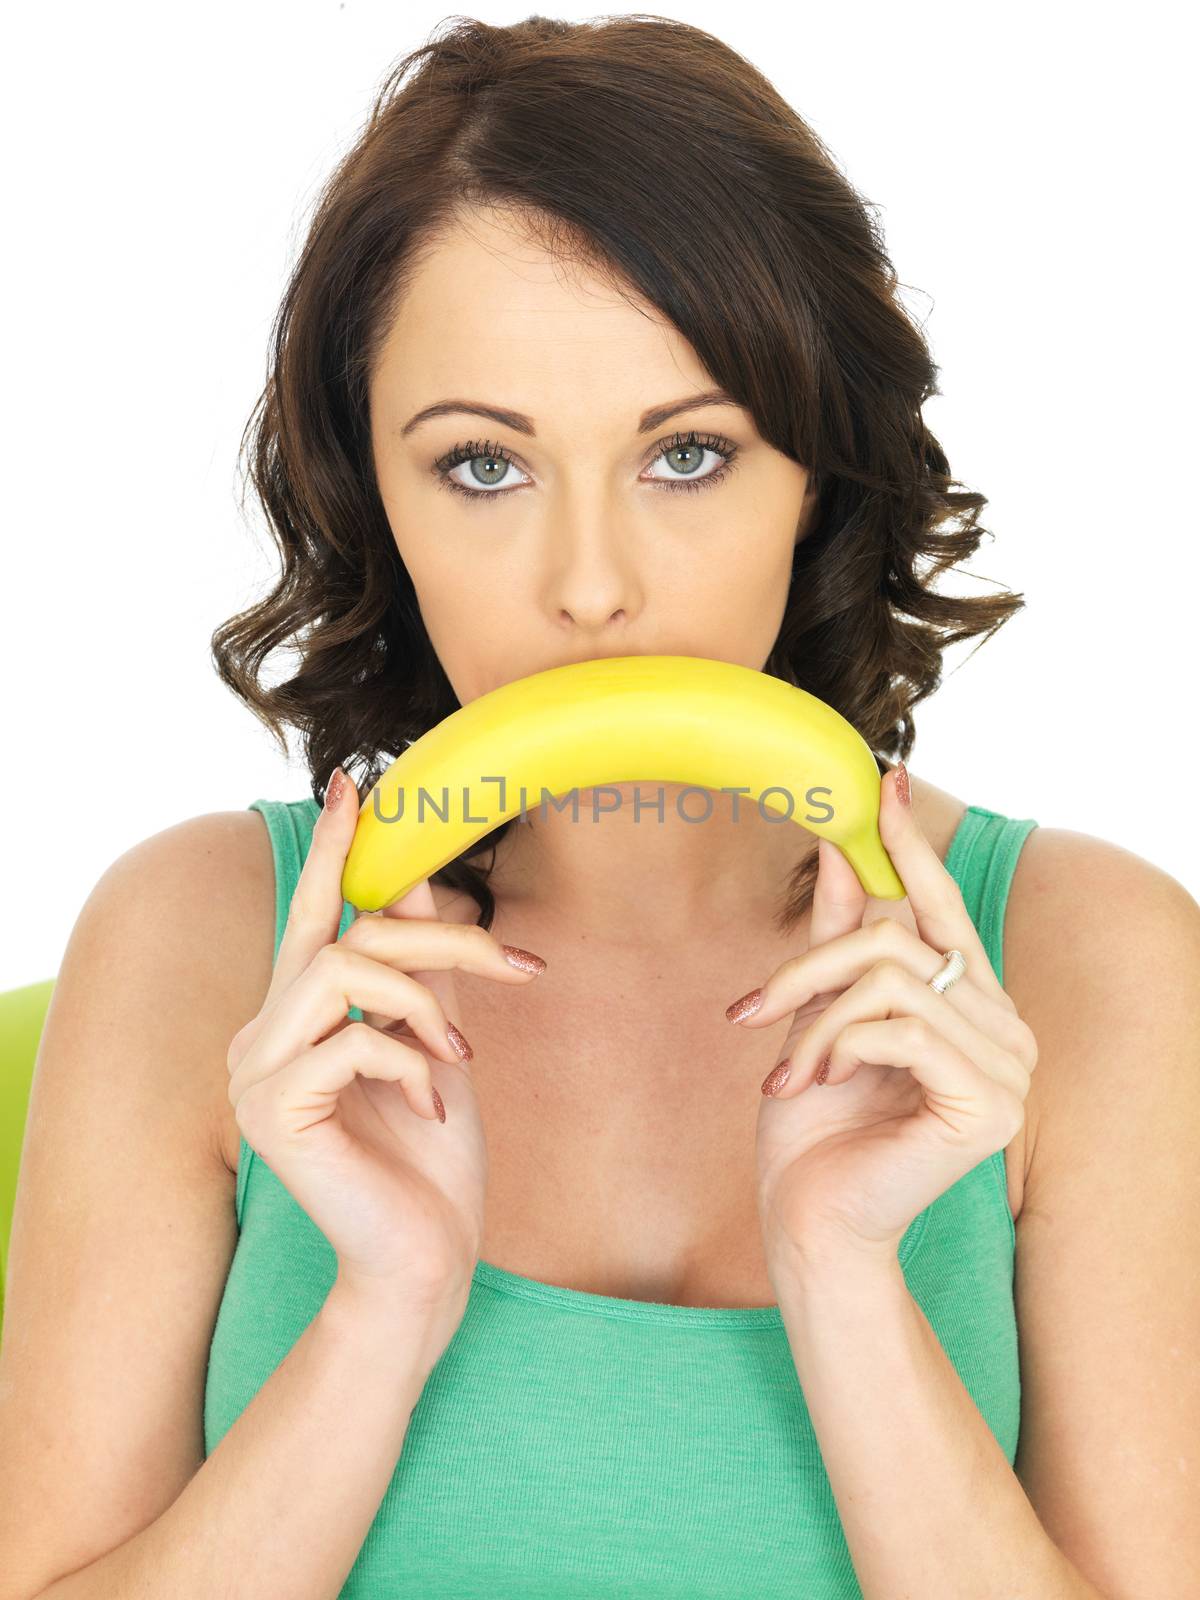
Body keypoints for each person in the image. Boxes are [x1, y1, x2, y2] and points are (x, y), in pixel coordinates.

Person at [2, 15, 1196, 1600]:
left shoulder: (1092, 961)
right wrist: (383, 1308)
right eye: (484, 468)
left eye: (688, 454)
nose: (592, 587)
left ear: (821, 470)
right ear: (373, 490)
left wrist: (848, 1280)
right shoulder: (195, 936)